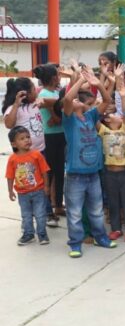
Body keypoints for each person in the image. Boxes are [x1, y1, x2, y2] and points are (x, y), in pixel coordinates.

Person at [61, 66, 116, 258]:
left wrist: (99, 84)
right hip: (76, 174)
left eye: (79, 100)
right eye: (75, 99)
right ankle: (75, 243)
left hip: (93, 173)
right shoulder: (68, 120)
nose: (74, 101)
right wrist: (79, 81)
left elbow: (107, 100)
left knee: (97, 210)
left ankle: (101, 237)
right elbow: (68, 99)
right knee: (75, 212)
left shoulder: (91, 117)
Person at [6, 126, 50, 246]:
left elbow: (44, 171)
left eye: (28, 137)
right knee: (26, 215)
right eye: (22, 138)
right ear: (14, 144)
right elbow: (10, 176)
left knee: (40, 214)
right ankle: (28, 234)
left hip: (38, 191)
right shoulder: (12, 159)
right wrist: (10, 191)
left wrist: (46, 186)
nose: (27, 140)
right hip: (22, 194)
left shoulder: (36, 155)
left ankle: (42, 234)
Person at [33, 64, 66, 221]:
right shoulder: (45, 93)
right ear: (54, 78)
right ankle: (49, 208)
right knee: (50, 173)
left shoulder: (55, 92)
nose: (60, 77)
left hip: (58, 135)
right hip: (49, 137)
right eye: (58, 75)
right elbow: (59, 104)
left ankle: (58, 205)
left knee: (59, 172)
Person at [98, 111, 125, 242]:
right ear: (107, 120)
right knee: (113, 202)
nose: (119, 115)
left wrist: (123, 96)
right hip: (109, 173)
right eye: (114, 114)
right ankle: (116, 228)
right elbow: (93, 119)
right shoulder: (104, 131)